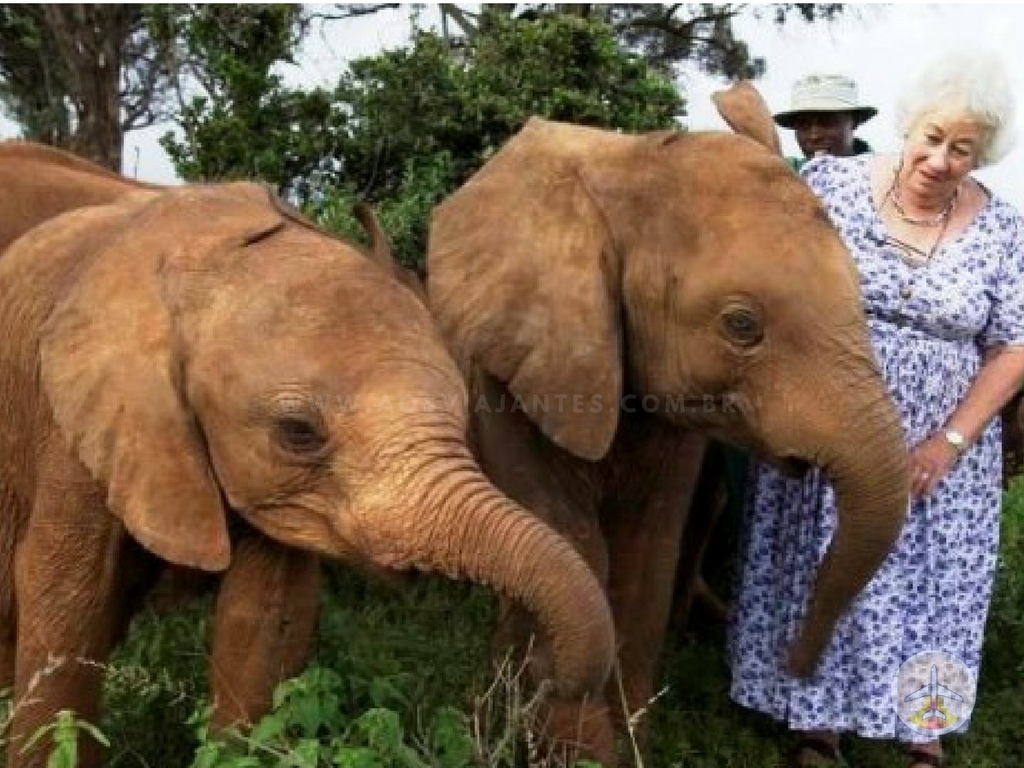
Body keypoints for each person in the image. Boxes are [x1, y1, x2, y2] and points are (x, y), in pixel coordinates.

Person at [730, 51, 1024, 768]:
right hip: (829, 424)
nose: (940, 160)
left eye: (963, 150)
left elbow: (1014, 346)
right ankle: (819, 724)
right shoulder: (832, 184)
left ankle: (922, 728)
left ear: (982, 156)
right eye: (932, 137)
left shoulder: (1006, 228)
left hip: (942, 447)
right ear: (908, 125)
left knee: (934, 581)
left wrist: (950, 443)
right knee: (827, 561)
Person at [773, 73, 877, 168]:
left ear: (855, 122)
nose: (814, 136)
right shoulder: (782, 173)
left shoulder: (882, 175)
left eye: (827, 122)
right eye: (803, 124)